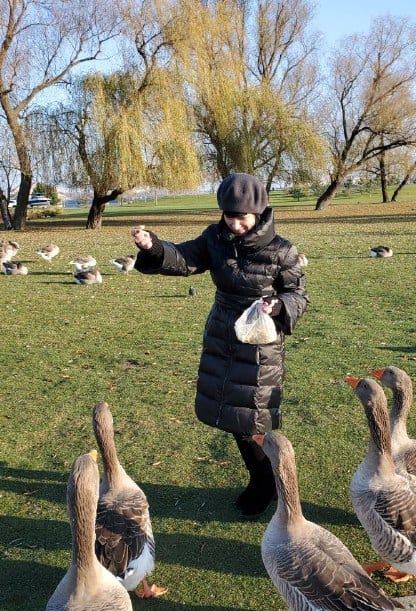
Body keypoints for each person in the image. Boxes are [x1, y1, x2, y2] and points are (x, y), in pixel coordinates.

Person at [130, 172, 308, 517]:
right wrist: (154, 247)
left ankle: (268, 482)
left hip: (259, 341)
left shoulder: (282, 251)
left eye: (242, 217)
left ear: (259, 213)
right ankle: (262, 478)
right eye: (229, 216)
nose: (235, 224)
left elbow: (298, 294)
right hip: (222, 334)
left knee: (253, 419)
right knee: (233, 417)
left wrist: (279, 306)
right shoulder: (215, 238)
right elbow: (183, 259)